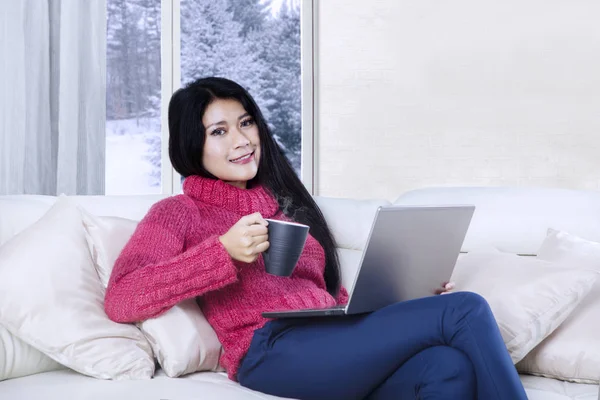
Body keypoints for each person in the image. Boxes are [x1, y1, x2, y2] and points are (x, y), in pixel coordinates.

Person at [104, 77, 528, 400]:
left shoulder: (286, 208)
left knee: (448, 367)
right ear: (190, 146)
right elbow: (122, 298)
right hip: (270, 350)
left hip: (334, 337)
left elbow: (325, 295)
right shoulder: (178, 213)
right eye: (219, 131)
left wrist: (408, 297)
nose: (241, 140)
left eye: (246, 123)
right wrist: (221, 254)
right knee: (465, 309)